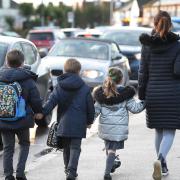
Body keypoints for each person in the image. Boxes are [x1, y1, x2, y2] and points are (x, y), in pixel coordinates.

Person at [138, 10, 180, 180]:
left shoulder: (146, 45)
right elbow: (178, 71)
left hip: (153, 93)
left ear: (154, 24)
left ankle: (162, 166)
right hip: (173, 94)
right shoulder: (178, 45)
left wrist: (141, 95)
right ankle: (160, 160)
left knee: (158, 131)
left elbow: (142, 73)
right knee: (169, 131)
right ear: (170, 24)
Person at [40, 59, 95, 180]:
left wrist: (41, 113)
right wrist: (90, 121)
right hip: (79, 124)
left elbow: (51, 102)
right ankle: (72, 171)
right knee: (75, 148)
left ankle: (67, 169)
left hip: (64, 123)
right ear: (79, 71)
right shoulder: (85, 88)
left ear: (65, 70)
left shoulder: (59, 86)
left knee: (66, 148)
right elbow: (90, 106)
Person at [93, 67, 145, 180]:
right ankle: (107, 172)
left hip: (105, 128)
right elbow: (135, 108)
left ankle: (111, 164)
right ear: (121, 79)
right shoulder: (126, 94)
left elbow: (95, 111)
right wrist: (144, 103)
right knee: (112, 150)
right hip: (118, 129)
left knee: (109, 147)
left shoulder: (102, 94)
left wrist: (88, 121)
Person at [0, 50, 43, 180]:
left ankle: (8, 175)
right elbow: (35, 99)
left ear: (7, 62)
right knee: (24, 144)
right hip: (22, 119)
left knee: (8, 148)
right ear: (23, 63)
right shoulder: (27, 79)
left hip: (3, 119)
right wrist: (39, 112)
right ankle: (20, 172)